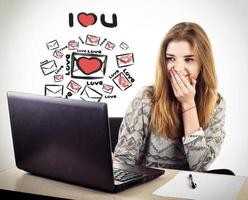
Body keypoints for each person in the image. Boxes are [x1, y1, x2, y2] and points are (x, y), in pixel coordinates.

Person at [113, 22, 230, 173]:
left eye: (189, 59)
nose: (178, 68)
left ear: (203, 64)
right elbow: (124, 162)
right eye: (170, 59)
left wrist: (188, 104)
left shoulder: (216, 103)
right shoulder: (146, 98)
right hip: (147, 188)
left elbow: (199, 167)